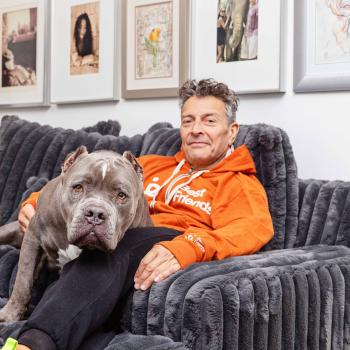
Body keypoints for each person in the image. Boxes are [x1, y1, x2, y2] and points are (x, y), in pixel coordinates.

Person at [8, 78, 273, 350]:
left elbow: (250, 230)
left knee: (115, 248)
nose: (196, 130)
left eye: (209, 121)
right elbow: (86, 181)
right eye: (188, 121)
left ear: (232, 131)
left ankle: (31, 345)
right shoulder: (150, 165)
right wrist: (35, 203)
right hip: (125, 241)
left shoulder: (240, 184)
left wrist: (188, 246)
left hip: (168, 240)